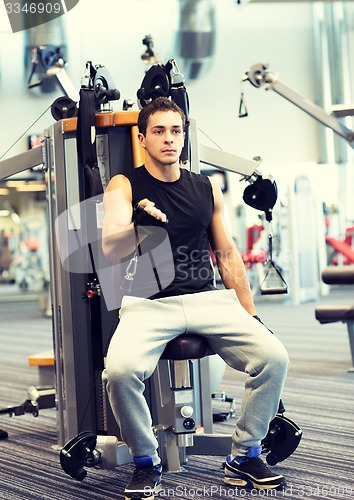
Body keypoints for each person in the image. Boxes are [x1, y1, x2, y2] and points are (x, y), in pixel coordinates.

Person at [101, 96, 290, 499]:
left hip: (208, 300)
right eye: (158, 131)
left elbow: (226, 254)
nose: (169, 139)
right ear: (143, 138)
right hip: (149, 304)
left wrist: (250, 314)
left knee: (274, 358)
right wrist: (137, 224)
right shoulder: (125, 184)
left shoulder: (206, 187)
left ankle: (244, 455)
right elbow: (110, 248)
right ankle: (145, 462)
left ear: (184, 137)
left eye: (176, 131)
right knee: (119, 372)